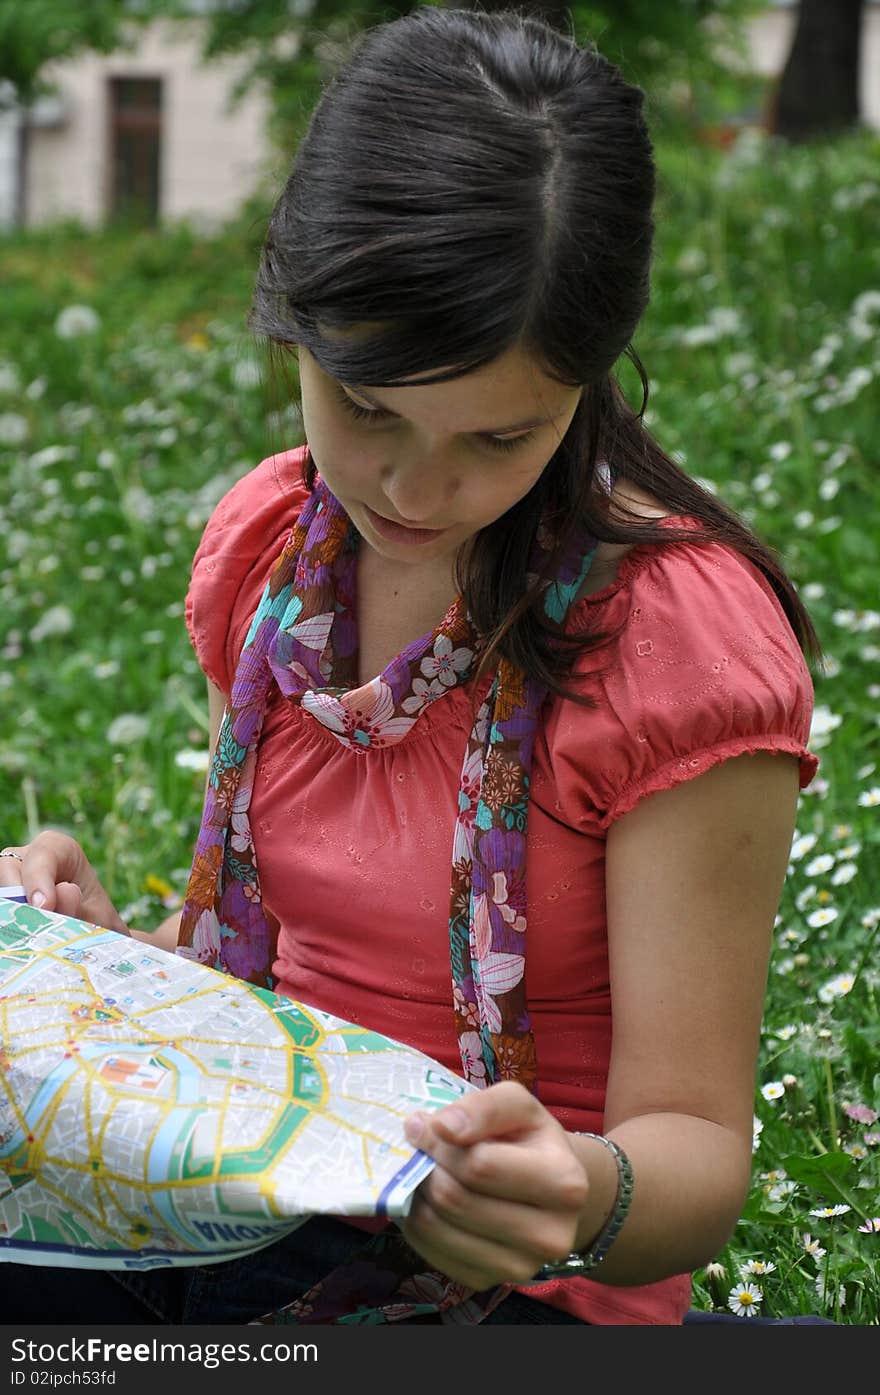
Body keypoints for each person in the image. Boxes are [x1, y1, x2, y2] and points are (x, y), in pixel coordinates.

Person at [0, 8, 833, 1326]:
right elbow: (286, 986)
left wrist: (571, 1189)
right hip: (234, 1219)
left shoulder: (671, 646)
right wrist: (107, 961)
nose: (410, 485)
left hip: (506, 1300)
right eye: (366, 407)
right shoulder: (278, 562)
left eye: (497, 438)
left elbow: (691, 1148)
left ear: (590, 377)